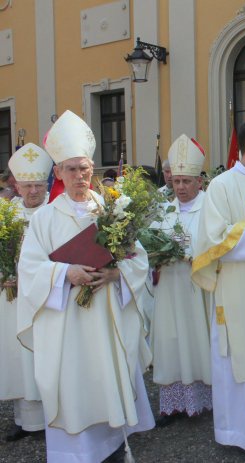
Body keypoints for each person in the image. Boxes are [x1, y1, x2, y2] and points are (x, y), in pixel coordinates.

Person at [16, 110, 154, 462]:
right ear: (59, 173)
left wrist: (117, 275)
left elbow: (138, 258)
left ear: (93, 169)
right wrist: (66, 274)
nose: (79, 176)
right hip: (68, 325)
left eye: (85, 168)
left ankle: (112, 446)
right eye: (71, 169)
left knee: (106, 383)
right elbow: (30, 269)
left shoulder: (111, 209)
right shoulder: (46, 218)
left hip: (107, 318)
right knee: (75, 387)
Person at [191, 121, 245, 451]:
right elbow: (211, 240)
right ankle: (239, 434)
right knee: (238, 356)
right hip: (236, 288)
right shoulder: (221, 187)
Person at [150, 134, 213, 427]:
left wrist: (192, 253)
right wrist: (156, 253)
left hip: (197, 288)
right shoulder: (164, 210)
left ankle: (205, 400)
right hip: (170, 289)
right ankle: (173, 404)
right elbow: (148, 244)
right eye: (176, 182)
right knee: (170, 340)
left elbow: (216, 241)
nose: (181, 187)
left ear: (199, 182)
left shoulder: (210, 208)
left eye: (186, 181)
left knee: (198, 337)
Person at [0, 143, 51, 442]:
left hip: (42, 299)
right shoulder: (6, 215)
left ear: (46, 184)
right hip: (11, 301)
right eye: (27, 185)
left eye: (38, 185)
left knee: (40, 355)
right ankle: (24, 420)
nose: (33, 191)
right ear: (16, 186)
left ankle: (49, 418)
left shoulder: (53, 215)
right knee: (17, 356)